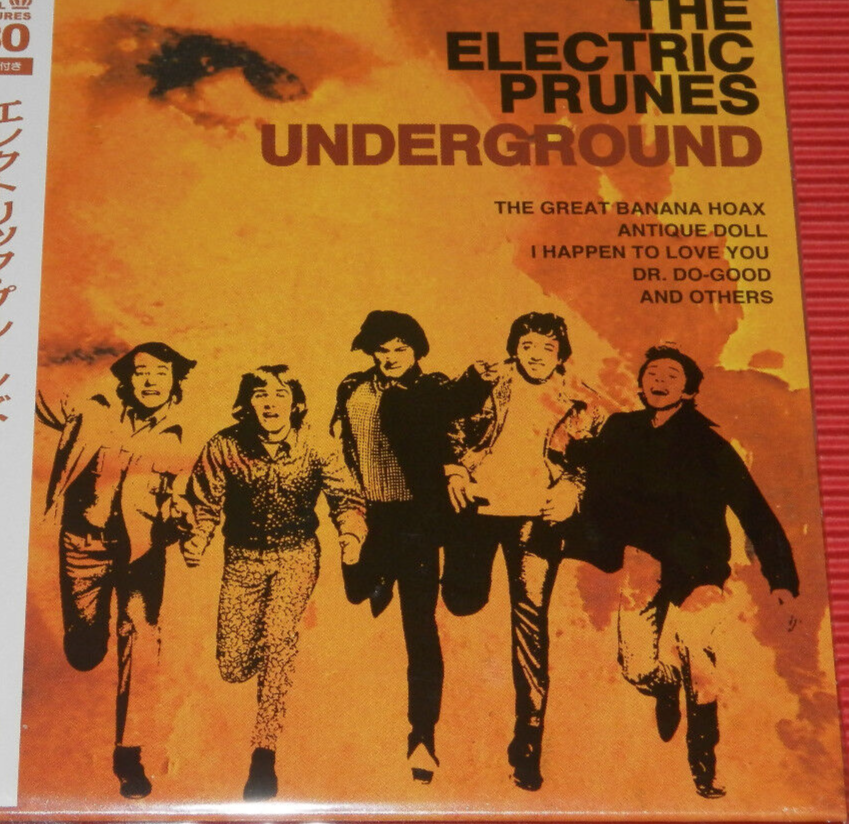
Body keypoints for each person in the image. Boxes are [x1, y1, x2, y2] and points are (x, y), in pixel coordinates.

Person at [569, 345, 799, 798]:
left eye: (672, 375)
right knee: (636, 668)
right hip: (643, 562)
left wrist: (782, 582)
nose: (660, 381)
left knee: (700, 660)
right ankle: (664, 682)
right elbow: (593, 475)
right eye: (652, 373)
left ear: (690, 390)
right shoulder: (621, 430)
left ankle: (703, 763)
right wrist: (577, 443)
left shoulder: (710, 446)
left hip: (699, 567)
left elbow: (755, 513)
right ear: (641, 383)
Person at [182, 365, 366, 801]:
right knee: (233, 666)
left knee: (278, 639)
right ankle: (254, 663)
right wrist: (198, 538)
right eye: (260, 394)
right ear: (247, 404)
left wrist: (351, 535)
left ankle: (264, 751)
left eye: (280, 394)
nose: (270, 403)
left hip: (295, 555)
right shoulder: (225, 445)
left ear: (295, 403)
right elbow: (205, 501)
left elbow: (347, 498)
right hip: (242, 557)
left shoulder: (317, 446)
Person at [440, 311, 605, 791]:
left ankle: (529, 739)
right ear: (514, 348)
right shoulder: (486, 381)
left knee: (531, 625)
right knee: (463, 600)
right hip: (479, 509)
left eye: (547, 348)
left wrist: (573, 486)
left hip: (537, 519)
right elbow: (446, 425)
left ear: (561, 355)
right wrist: (455, 469)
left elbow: (602, 456)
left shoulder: (581, 399)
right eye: (527, 345)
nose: (535, 355)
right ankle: (466, 582)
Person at [331, 310, 487, 784]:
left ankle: (422, 735)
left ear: (417, 350)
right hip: (370, 515)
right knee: (356, 592)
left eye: (401, 348)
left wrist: (476, 381)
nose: (391, 357)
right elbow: (344, 448)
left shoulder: (431, 388)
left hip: (416, 521)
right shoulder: (352, 388)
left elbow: (458, 415)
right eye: (382, 349)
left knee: (419, 627)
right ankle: (377, 578)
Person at [36, 341, 196, 799]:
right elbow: (40, 396)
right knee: (85, 651)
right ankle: (86, 637)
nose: (151, 381)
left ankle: (129, 753)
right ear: (127, 379)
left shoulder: (185, 432)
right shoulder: (91, 412)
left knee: (141, 639)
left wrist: (181, 513)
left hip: (143, 551)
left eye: (161, 372)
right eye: (141, 372)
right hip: (83, 545)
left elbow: (193, 491)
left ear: (175, 380)